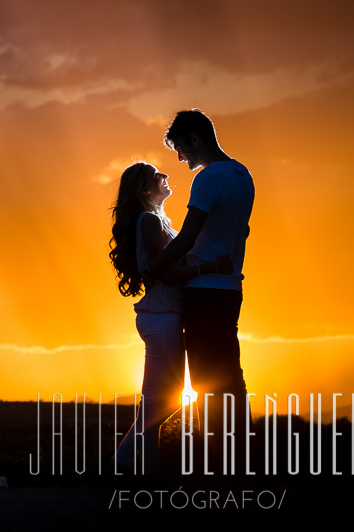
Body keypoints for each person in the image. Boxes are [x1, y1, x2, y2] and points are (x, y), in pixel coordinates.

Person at [145, 109, 254, 474]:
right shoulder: (243, 175)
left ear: (194, 138)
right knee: (230, 374)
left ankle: (219, 463)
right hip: (230, 290)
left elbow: (188, 237)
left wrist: (155, 267)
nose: (180, 158)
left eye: (180, 148)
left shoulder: (208, 179)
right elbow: (244, 231)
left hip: (203, 291)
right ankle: (239, 456)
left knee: (207, 379)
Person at [109, 162, 230, 474]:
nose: (164, 176)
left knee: (171, 399)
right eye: (155, 176)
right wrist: (211, 267)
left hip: (166, 317)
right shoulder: (148, 221)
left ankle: (123, 461)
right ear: (145, 189)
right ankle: (143, 471)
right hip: (160, 318)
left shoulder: (155, 219)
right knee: (154, 401)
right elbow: (167, 272)